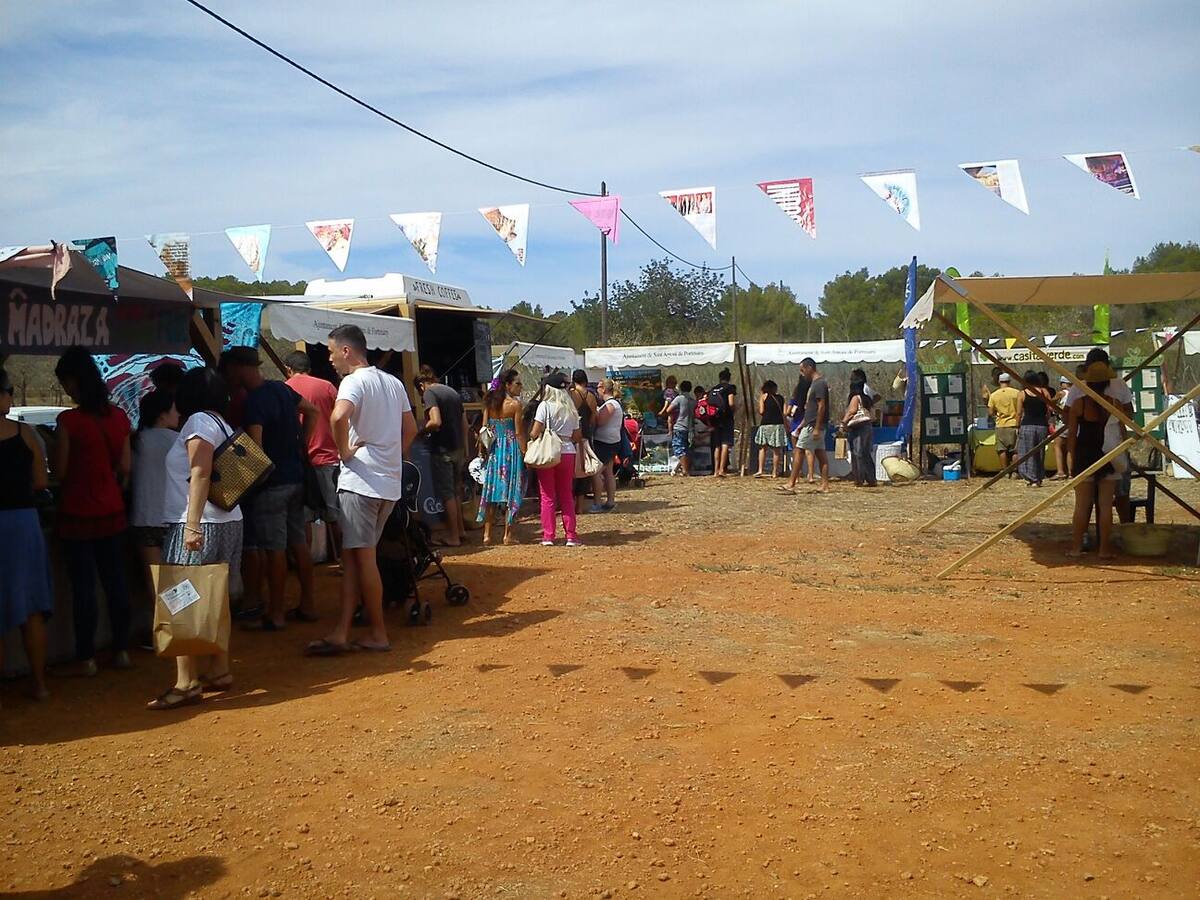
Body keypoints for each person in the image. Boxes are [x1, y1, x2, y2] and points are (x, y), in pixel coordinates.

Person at [307, 325, 416, 656]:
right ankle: (342, 631)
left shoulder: (353, 382)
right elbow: (410, 429)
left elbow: (339, 417)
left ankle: (378, 632)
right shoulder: (392, 383)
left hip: (360, 483)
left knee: (363, 557)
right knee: (355, 558)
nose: (329, 359)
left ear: (346, 351)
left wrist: (344, 452)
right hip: (386, 485)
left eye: (330, 352)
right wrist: (392, 457)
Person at [148, 367, 243, 710]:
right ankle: (219, 668)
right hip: (227, 519)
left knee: (180, 595)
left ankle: (186, 681)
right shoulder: (221, 422)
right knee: (216, 596)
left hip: (198, 521)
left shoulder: (198, 423)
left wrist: (191, 525)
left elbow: (199, 473)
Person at [222, 347, 318, 631]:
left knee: (274, 548)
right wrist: (302, 446)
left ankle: (275, 612)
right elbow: (312, 411)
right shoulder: (280, 389)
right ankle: (308, 604)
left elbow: (255, 449)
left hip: (271, 485)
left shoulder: (254, 402)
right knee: (298, 543)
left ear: (239, 368)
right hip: (296, 477)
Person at [53, 347, 133, 676]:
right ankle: (122, 651)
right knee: (115, 583)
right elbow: (126, 466)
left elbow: (58, 472)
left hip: (76, 514)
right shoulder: (118, 417)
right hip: (112, 511)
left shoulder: (68, 421)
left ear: (74, 381)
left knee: (83, 588)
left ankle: (86, 657)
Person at [0, 367, 52, 703]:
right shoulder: (26, 433)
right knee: (31, 607)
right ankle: (40, 684)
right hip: (23, 522)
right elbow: (41, 482)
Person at [1066, 359, 1129, 559]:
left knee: (1082, 505)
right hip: (1108, 456)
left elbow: (1072, 437)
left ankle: (1076, 548)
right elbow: (1122, 434)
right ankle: (1104, 550)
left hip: (1084, 456)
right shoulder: (1114, 404)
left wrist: (1071, 462)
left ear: (1088, 383)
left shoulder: (1079, 404)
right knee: (1105, 505)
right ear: (1106, 383)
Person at [284, 350, 342, 565]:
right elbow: (342, 418)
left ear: (288, 369)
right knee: (335, 513)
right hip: (329, 457)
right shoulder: (326, 386)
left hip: (300, 460)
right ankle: (344, 560)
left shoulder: (286, 389)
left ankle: (304, 563)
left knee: (304, 516)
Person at [129, 389, 180, 636]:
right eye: (174, 409)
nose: (178, 414)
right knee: (175, 579)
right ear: (162, 415)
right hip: (172, 518)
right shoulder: (180, 440)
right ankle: (180, 630)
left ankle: (161, 632)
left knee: (155, 582)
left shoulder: (136, 440)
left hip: (143, 518)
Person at [415, 366, 469, 548]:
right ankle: (460, 530)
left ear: (422, 385)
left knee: (447, 494)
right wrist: (465, 448)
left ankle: (453, 536)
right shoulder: (452, 392)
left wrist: (421, 431)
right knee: (455, 490)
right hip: (457, 448)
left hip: (442, 449)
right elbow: (465, 423)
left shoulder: (429, 393)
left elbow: (435, 421)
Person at [527, 372, 582, 546]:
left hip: (549, 451)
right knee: (566, 494)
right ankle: (571, 535)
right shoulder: (571, 407)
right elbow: (577, 435)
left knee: (547, 495)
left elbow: (535, 431)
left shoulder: (544, 406)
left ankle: (549, 535)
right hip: (567, 451)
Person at [477, 368, 526, 545]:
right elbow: (519, 433)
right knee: (512, 492)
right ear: (508, 385)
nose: (520, 387)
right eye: (518, 383)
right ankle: (508, 535)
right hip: (511, 449)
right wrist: (525, 453)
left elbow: (484, 429)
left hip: (495, 451)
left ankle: (487, 535)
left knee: (491, 493)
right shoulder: (515, 405)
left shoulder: (490, 403)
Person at [788, 357, 829, 494]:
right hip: (810, 423)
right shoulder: (815, 384)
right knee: (820, 453)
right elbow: (811, 408)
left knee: (799, 450)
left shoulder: (819, 384)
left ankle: (791, 483)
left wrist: (817, 427)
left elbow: (821, 406)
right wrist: (801, 425)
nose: (802, 373)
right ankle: (824, 485)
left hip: (813, 425)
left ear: (809, 368)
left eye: (802, 370)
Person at [568, 369, 598, 515]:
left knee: (571, 471)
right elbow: (593, 418)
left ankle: (569, 505)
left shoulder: (572, 395)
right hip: (587, 435)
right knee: (584, 471)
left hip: (572, 437)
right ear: (586, 380)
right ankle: (579, 506)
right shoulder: (591, 396)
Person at [840, 369, 877, 487]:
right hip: (867, 426)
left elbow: (852, 411)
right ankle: (871, 478)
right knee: (866, 453)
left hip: (858, 428)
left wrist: (843, 423)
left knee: (858, 453)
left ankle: (859, 478)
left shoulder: (855, 398)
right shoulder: (866, 398)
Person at [591, 379, 622, 512]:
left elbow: (601, 421)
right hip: (611, 441)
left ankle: (598, 503)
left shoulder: (610, 404)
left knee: (596, 472)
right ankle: (610, 501)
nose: (597, 390)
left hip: (605, 442)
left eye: (598, 387)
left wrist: (594, 412)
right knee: (608, 472)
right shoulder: (613, 404)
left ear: (603, 389)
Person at [1016, 370, 1050, 487]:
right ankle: (1039, 477)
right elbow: (1049, 409)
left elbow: (1019, 413)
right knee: (1040, 453)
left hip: (1027, 425)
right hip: (1042, 425)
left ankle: (1032, 478)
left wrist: (1017, 426)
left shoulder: (1022, 393)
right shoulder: (1044, 392)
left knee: (1027, 452)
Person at [987, 372, 1022, 473]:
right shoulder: (1017, 393)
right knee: (1015, 450)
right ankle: (1015, 471)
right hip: (1014, 424)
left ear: (999, 381)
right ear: (1009, 381)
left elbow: (990, 412)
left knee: (1002, 449)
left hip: (1001, 425)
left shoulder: (994, 395)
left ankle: (1005, 470)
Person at [784, 371, 812, 491]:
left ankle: (798, 474)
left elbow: (787, 412)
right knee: (809, 450)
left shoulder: (795, 397)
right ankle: (810, 474)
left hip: (795, 425)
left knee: (797, 450)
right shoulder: (811, 394)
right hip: (808, 423)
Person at [708, 369, 737, 478]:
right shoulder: (730, 388)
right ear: (729, 378)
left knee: (717, 445)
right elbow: (731, 403)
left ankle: (715, 470)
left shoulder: (714, 388)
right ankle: (722, 469)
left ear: (720, 378)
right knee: (725, 443)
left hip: (715, 418)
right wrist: (734, 410)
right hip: (726, 418)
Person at [755, 380, 787, 478]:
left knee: (762, 448)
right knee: (776, 450)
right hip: (778, 425)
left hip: (766, 424)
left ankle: (760, 470)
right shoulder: (781, 398)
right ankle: (774, 472)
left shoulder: (763, 397)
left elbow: (761, 411)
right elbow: (785, 413)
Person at [668, 379, 695, 475]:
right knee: (686, 449)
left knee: (679, 448)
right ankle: (684, 469)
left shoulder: (679, 398)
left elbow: (669, 409)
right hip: (690, 428)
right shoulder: (693, 401)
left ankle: (685, 470)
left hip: (679, 426)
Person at [1052, 374, 1072, 479]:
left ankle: (1060, 471)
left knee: (1057, 446)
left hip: (1062, 423)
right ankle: (1070, 472)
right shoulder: (1075, 393)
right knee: (1069, 448)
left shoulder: (1061, 393)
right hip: (1072, 423)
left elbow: (1051, 401)